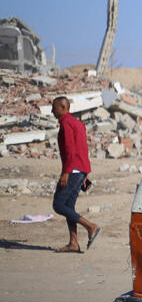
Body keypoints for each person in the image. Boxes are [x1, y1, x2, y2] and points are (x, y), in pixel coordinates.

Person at [50, 96, 101, 253]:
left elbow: (70, 149)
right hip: (80, 169)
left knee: (58, 205)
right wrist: (86, 172)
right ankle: (73, 243)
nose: (52, 111)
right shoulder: (77, 123)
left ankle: (90, 226)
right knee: (68, 207)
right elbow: (83, 148)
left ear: (63, 108)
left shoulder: (66, 123)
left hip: (73, 170)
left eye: (54, 108)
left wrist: (66, 172)